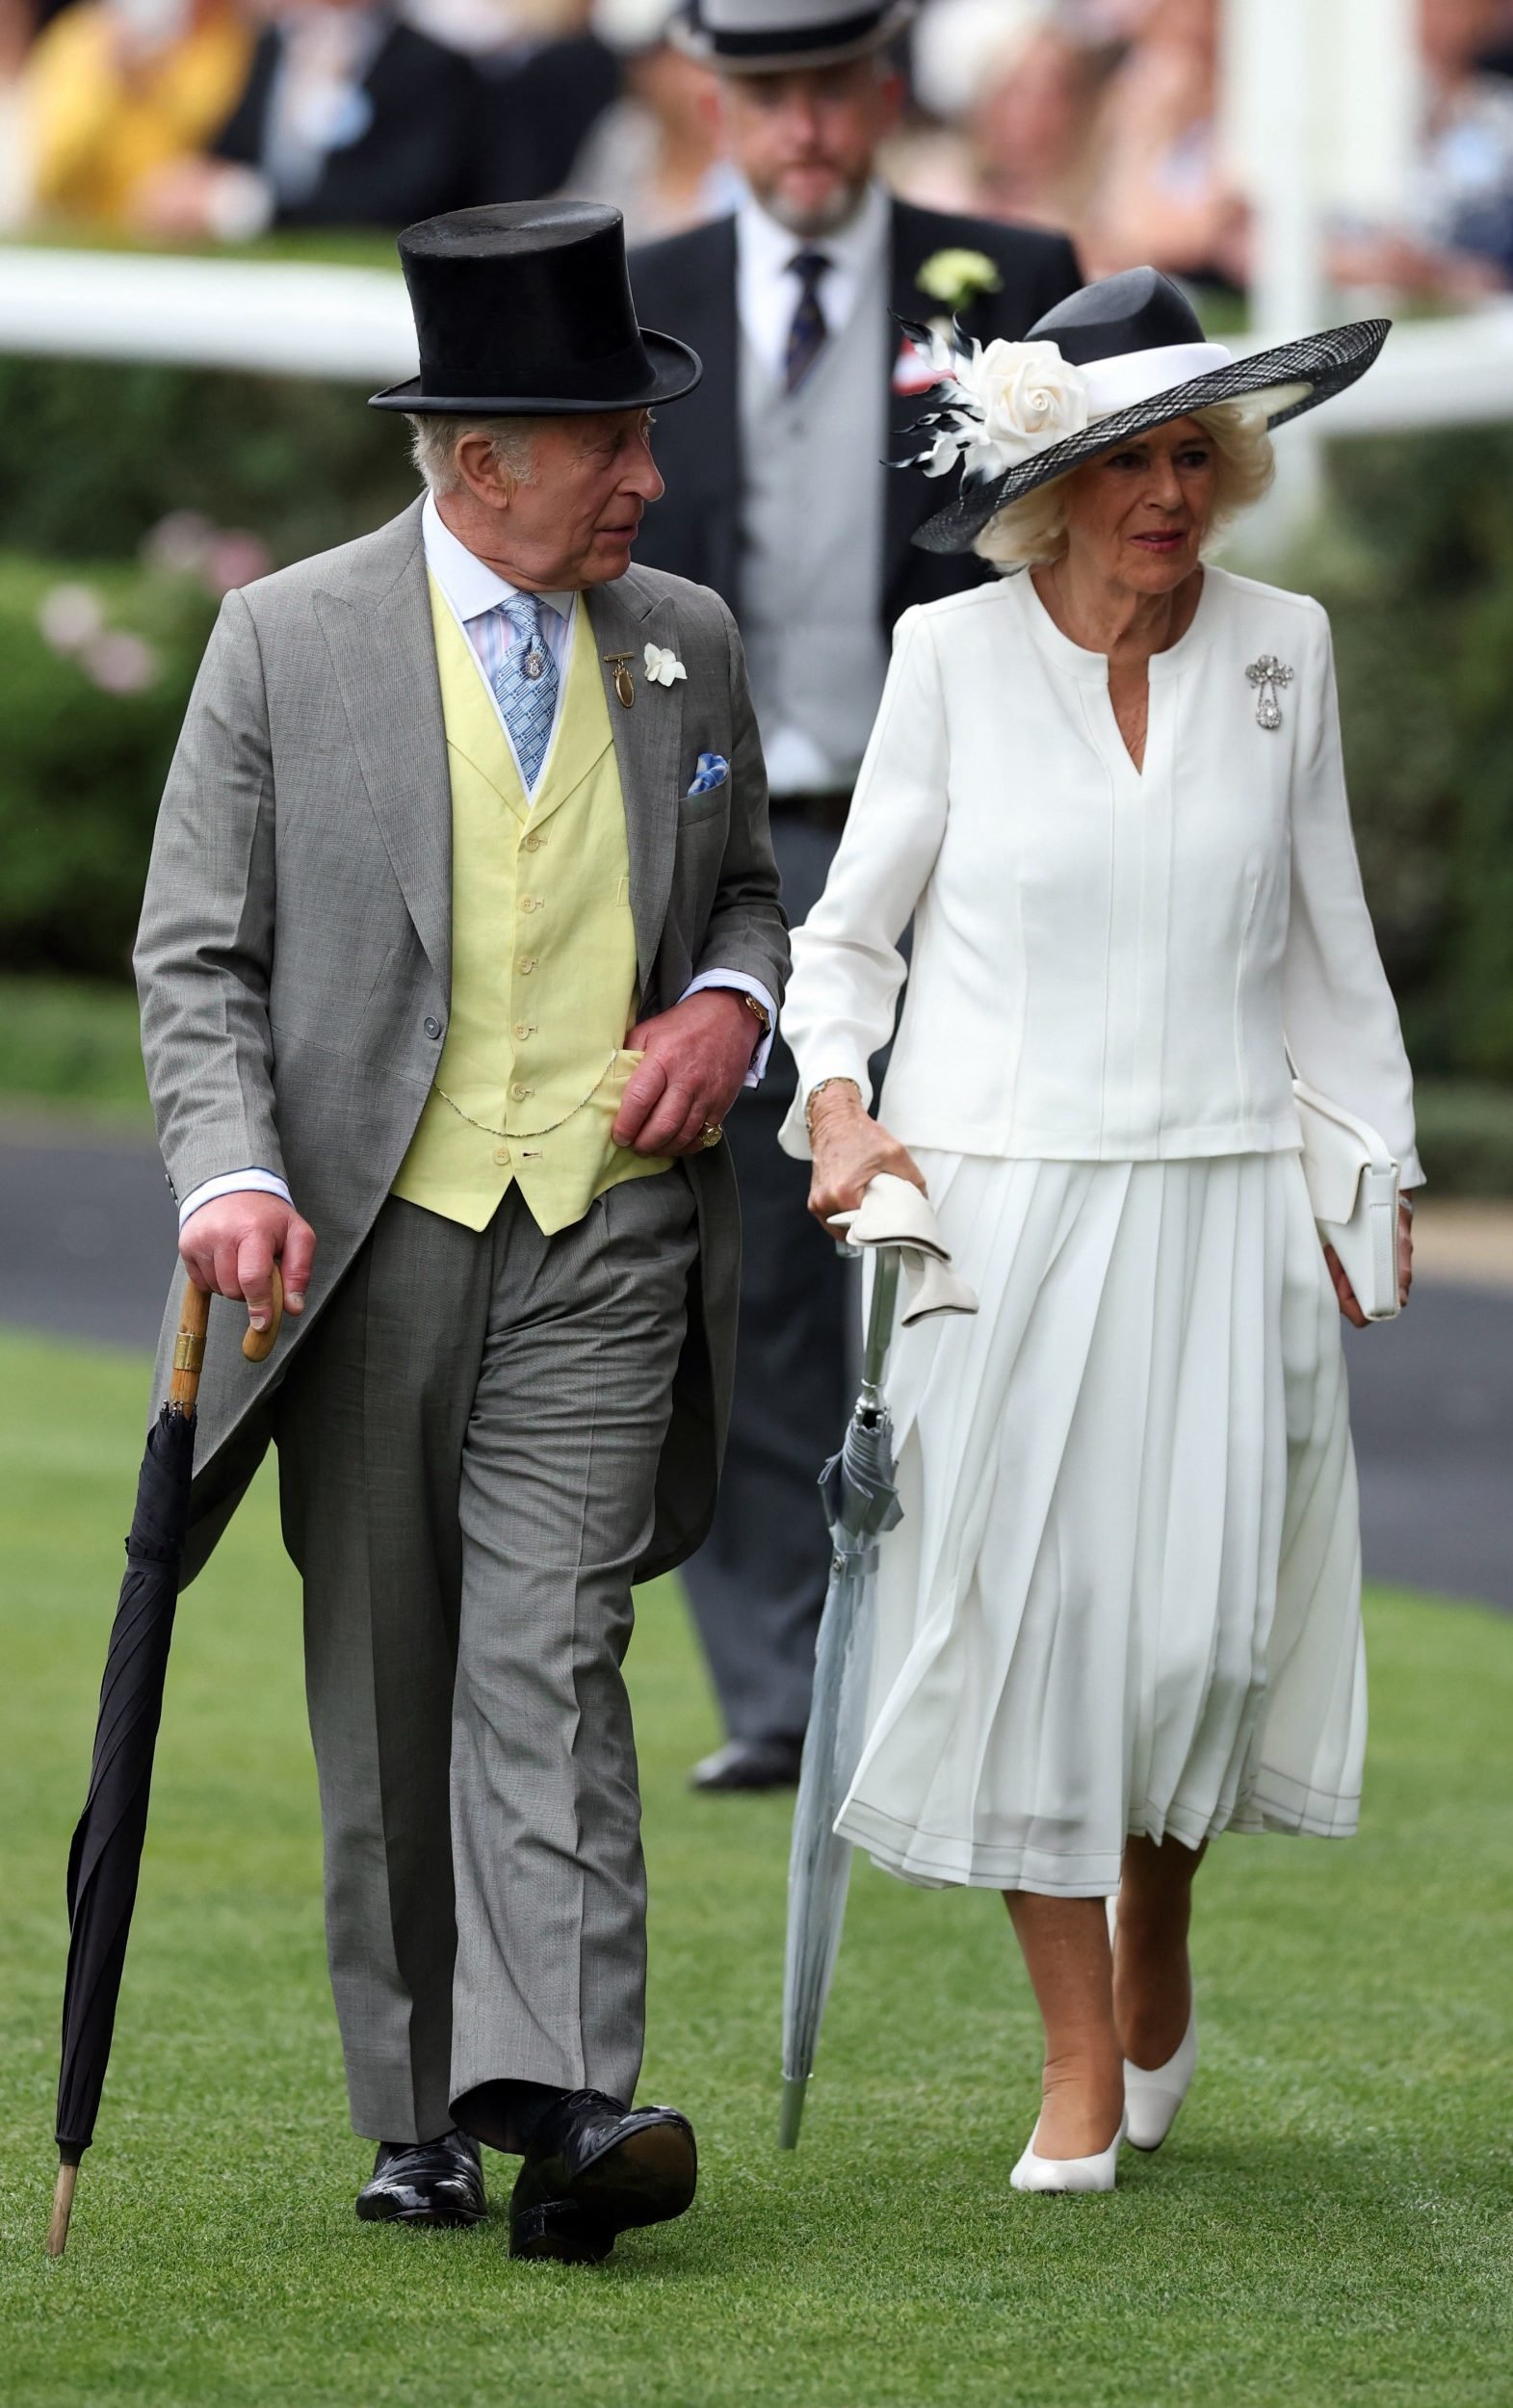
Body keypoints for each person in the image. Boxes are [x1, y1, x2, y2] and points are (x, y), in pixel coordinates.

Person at [132, 200, 787, 2259]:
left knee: (553, 1651)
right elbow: (196, 954)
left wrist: (726, 1003)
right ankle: (415, 2108)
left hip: (606, 1233)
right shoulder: (282, 639)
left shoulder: (685, 636)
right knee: (388, 1675)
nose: (649, 477)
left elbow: (748, 891)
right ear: (484, 457)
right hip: (360, 1246)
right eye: (613, 439)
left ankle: (571, 2105)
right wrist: (233, 1172)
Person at [779, 267, 1421, 2192]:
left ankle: (1162, 1917)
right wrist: (837, 1103)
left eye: (1191, 456)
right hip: (997, 1214)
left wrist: (1371, 1176)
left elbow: (1325, 948)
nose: (1165, 492)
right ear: (1048, 484)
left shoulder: (1283, 650)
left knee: (1194, 1641)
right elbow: (847, 942)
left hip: (1225, 1197)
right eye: (1128, 459)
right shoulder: (949, 657)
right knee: (1024, 1630)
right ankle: (1073, 2056)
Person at [629, 0, 1082, 1793]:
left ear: (883, 92)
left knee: (960, 1229)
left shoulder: (1008, 279)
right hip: (718, 844)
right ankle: (781, 1688)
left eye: (830, 89)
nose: (803, 127)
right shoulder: (642, 290)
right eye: (767, 94)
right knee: (736, 1260)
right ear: (712, 102)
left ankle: (947, 1656)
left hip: (959, 846)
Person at [136, 0, 483, 239]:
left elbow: (410, 195)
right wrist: (195, 184)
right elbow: (236, 147)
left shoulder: (432, 63)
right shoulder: (273, 44)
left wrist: (251, 208)